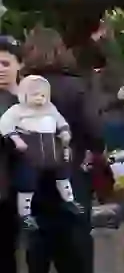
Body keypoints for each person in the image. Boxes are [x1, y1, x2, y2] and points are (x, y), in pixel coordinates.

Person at [20, 27, 103, 273]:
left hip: (30, 177)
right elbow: (95, 131)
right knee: (76, 243)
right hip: (70, 175)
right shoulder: (77, 87)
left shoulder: (21, 88)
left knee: (37, 241)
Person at [0, 76, 80, 230]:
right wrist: (16, 140)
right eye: (35, 95)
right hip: (31, 153)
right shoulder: (17, 110)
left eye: (43, 95)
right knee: (27, 183)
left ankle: (69, 200)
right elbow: (5, 125)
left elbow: (61, 122)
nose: (39, 99)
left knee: (63, 175)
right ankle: (25, 214)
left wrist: (64, 133)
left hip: (52, 149)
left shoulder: (50, 109)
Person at [0, 36, 26, 273]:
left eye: (6, 63)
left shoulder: (30, 99)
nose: (0, 69)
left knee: (11, 254)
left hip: (24, 188)